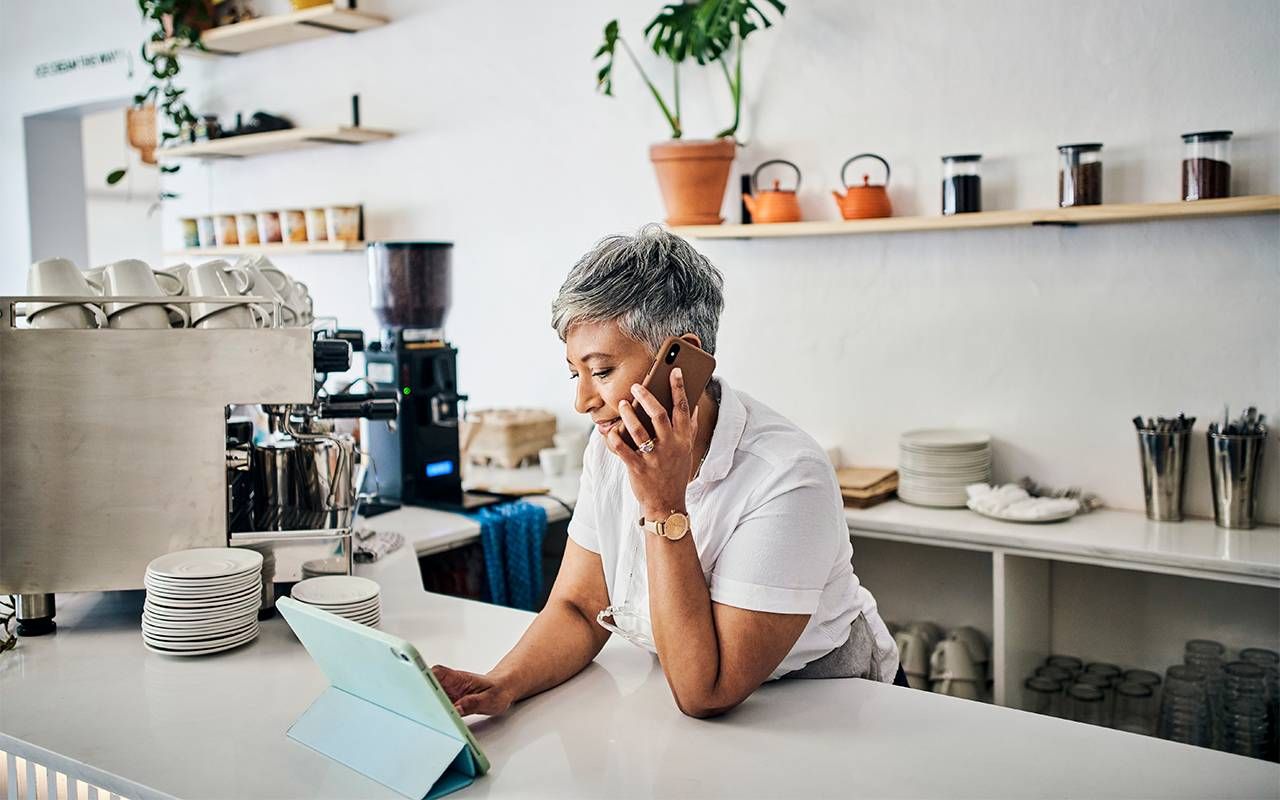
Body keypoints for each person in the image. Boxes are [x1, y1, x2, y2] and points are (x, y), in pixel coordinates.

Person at [433, 225, 900, 719]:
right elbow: (579, 608)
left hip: (833, 709)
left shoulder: (788, 476)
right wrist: (501, 685)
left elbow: (707, 691)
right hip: (700, 706)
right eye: (576, 373)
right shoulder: (612, 446)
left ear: (681, 362)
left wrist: (663, 506)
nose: (583, 401)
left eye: (602, 371)